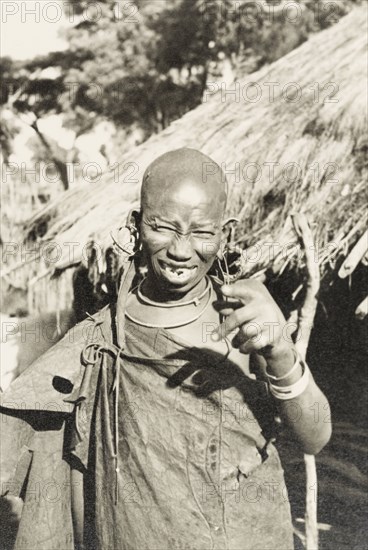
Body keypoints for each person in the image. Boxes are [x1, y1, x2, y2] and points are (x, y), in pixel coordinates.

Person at [1, 148, 331, 550]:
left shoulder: (247, 320)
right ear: (136, 225)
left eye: (202, 233)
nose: (180, 249)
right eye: (163, 227)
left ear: (225, 232)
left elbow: (314, 438)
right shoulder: (100, 338)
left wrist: (280, 352)